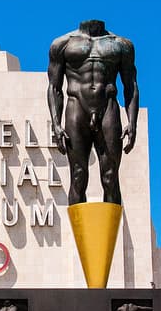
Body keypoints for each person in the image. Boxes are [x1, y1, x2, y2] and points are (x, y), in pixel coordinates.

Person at [47, 20, 139, 205]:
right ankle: (79, 234)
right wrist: (56, 124)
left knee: (111, 177)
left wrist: (132, 122)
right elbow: (54, 87)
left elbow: (131, 86)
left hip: (108, 108)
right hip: (77, 108)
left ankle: (108, 234)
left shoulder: (121, 45)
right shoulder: (63, 44)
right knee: (78, 176)